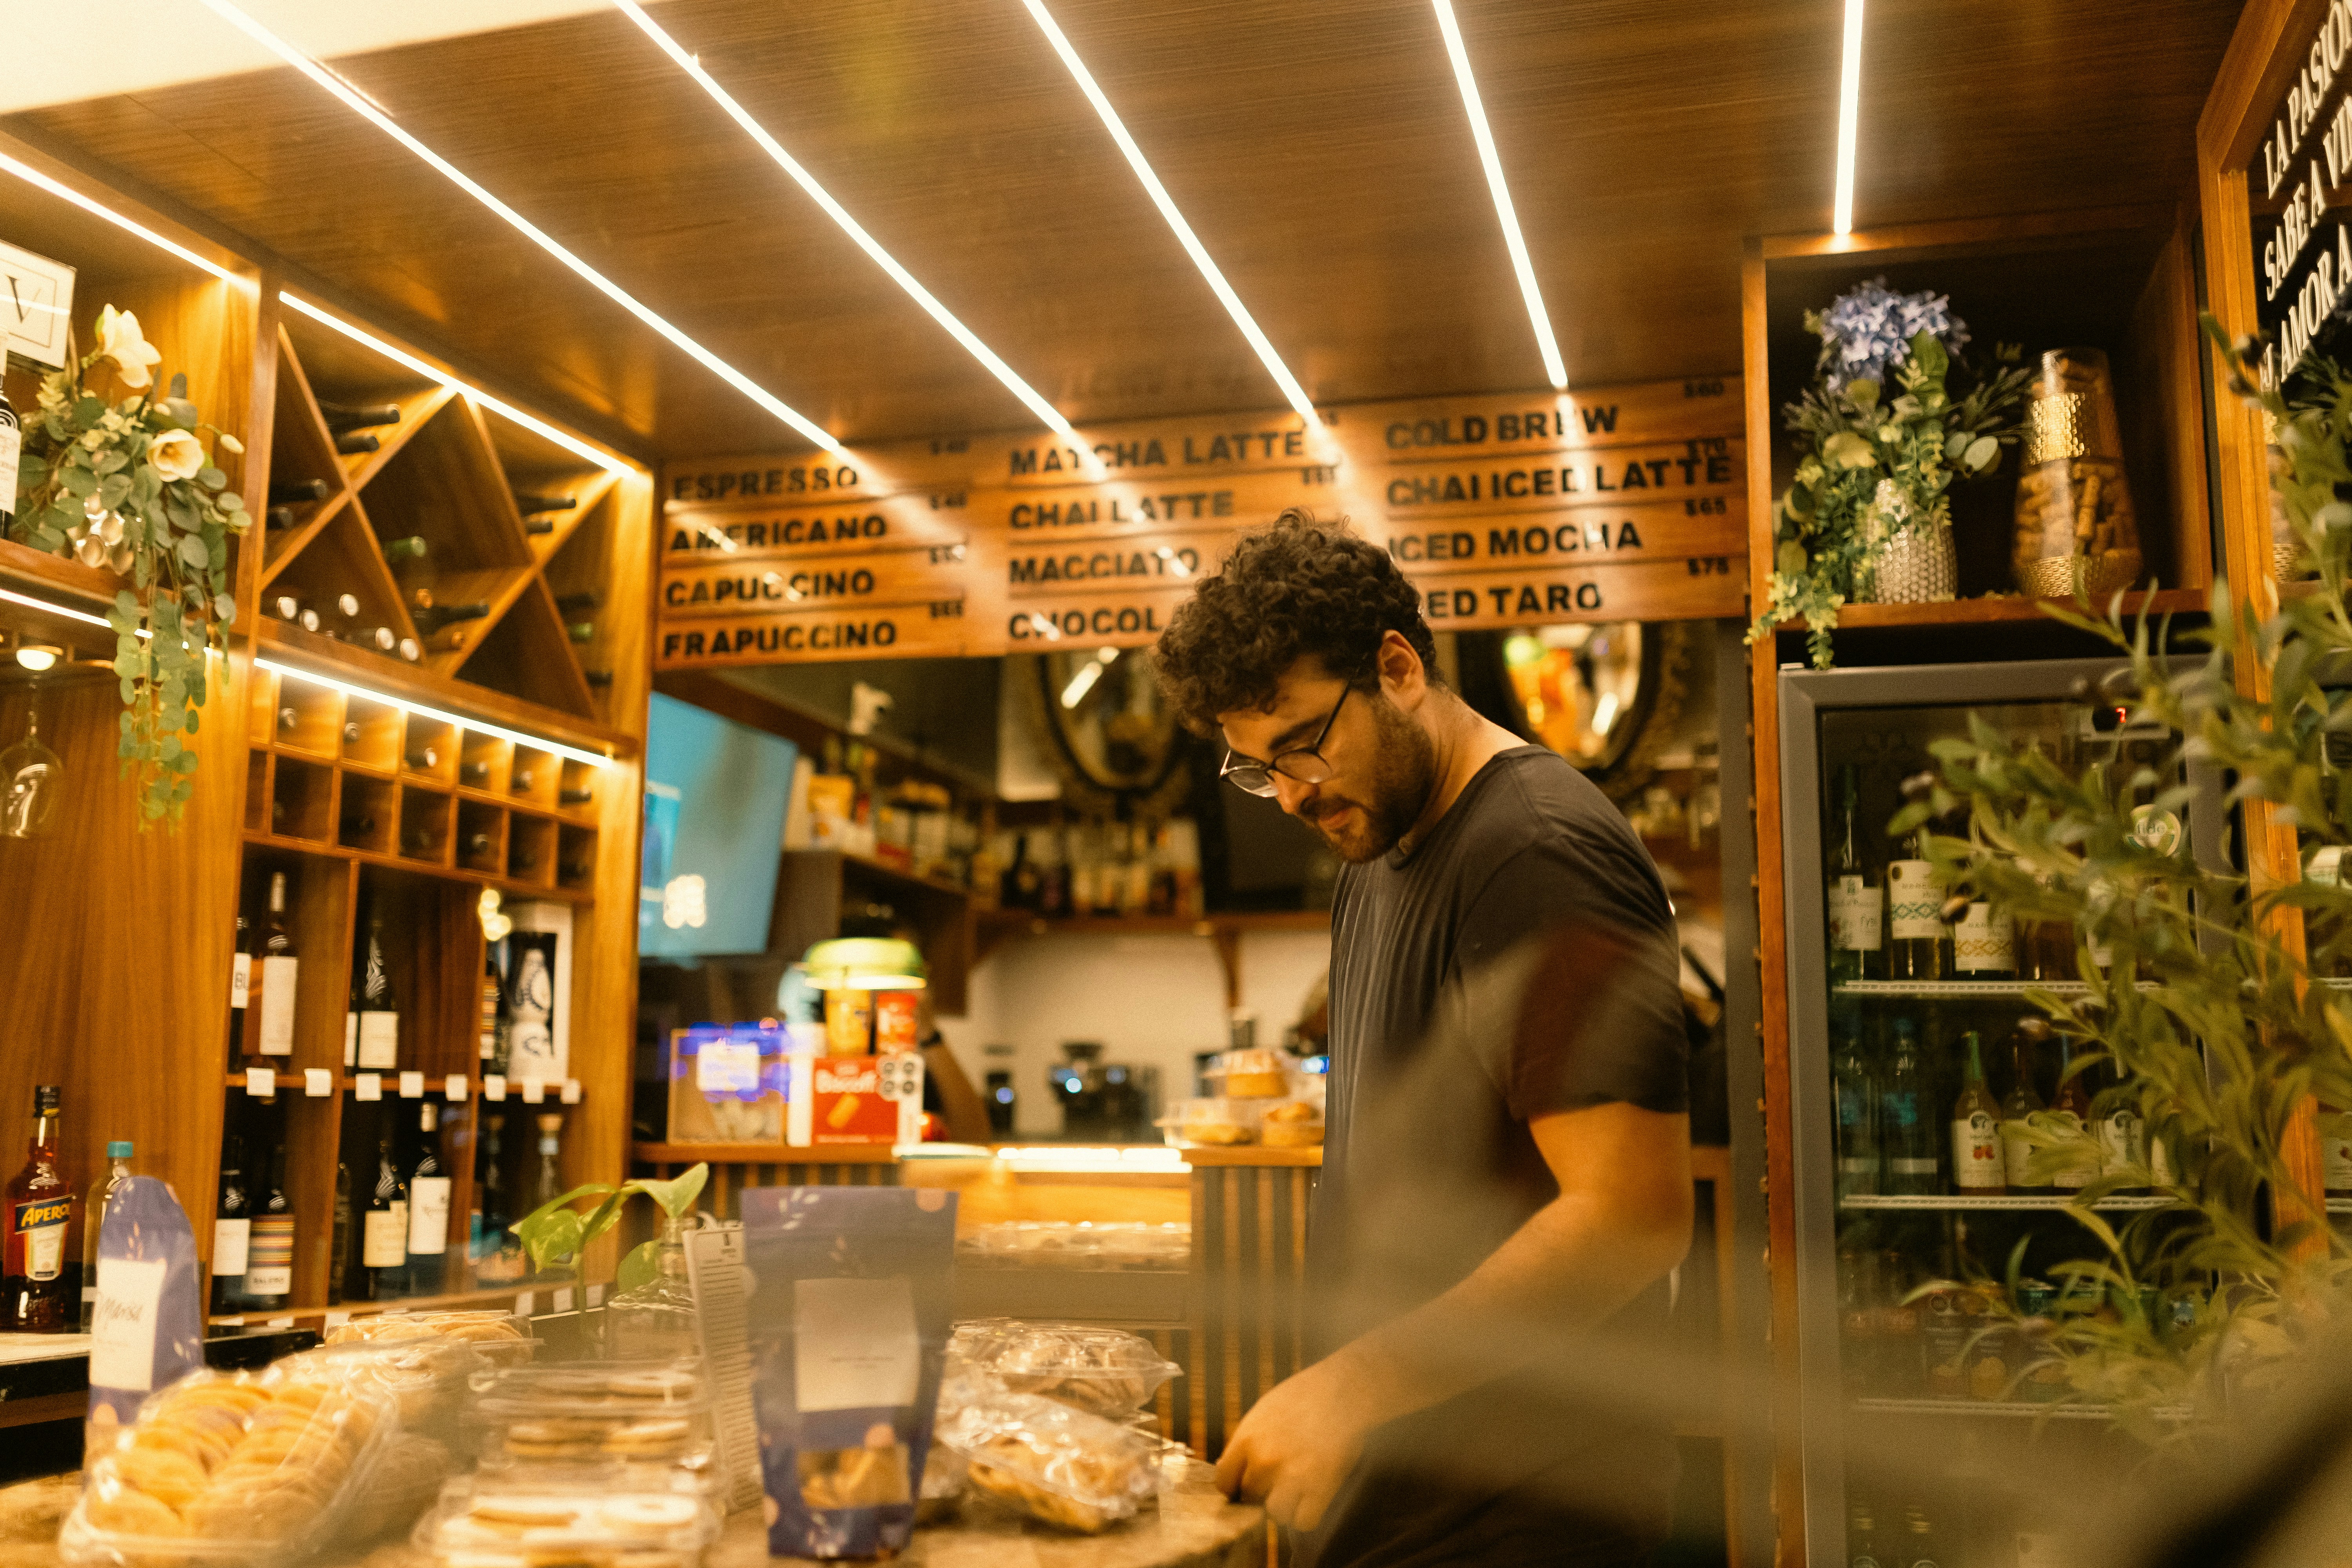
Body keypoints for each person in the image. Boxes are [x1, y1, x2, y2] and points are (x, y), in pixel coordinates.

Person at [1153, 510, 1693, 1566]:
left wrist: (1354, 1387)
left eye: (1304, 741)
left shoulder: (1536, 850)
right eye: (1260, 767)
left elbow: (1631, 1215)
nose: (1295, 794)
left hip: (1530, 1515)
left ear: (1397, 667)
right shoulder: (1377, 849)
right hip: (1408, 1503)